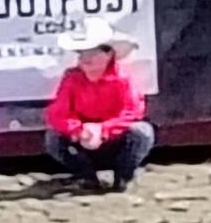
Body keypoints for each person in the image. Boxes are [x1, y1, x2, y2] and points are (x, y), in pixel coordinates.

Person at [44, 17, 156, 193]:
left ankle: (122, 178)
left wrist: (104, 130)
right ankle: (85, 177)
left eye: (92, 53)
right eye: (82, 53)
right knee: (53, 138)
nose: (85, 58)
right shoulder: (71, 79)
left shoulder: (122, 80)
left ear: (108, 55)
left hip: (114, 141)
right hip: (81, 142)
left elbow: (133, 112)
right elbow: (57, 113)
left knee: (142, 133)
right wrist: (78, 130)